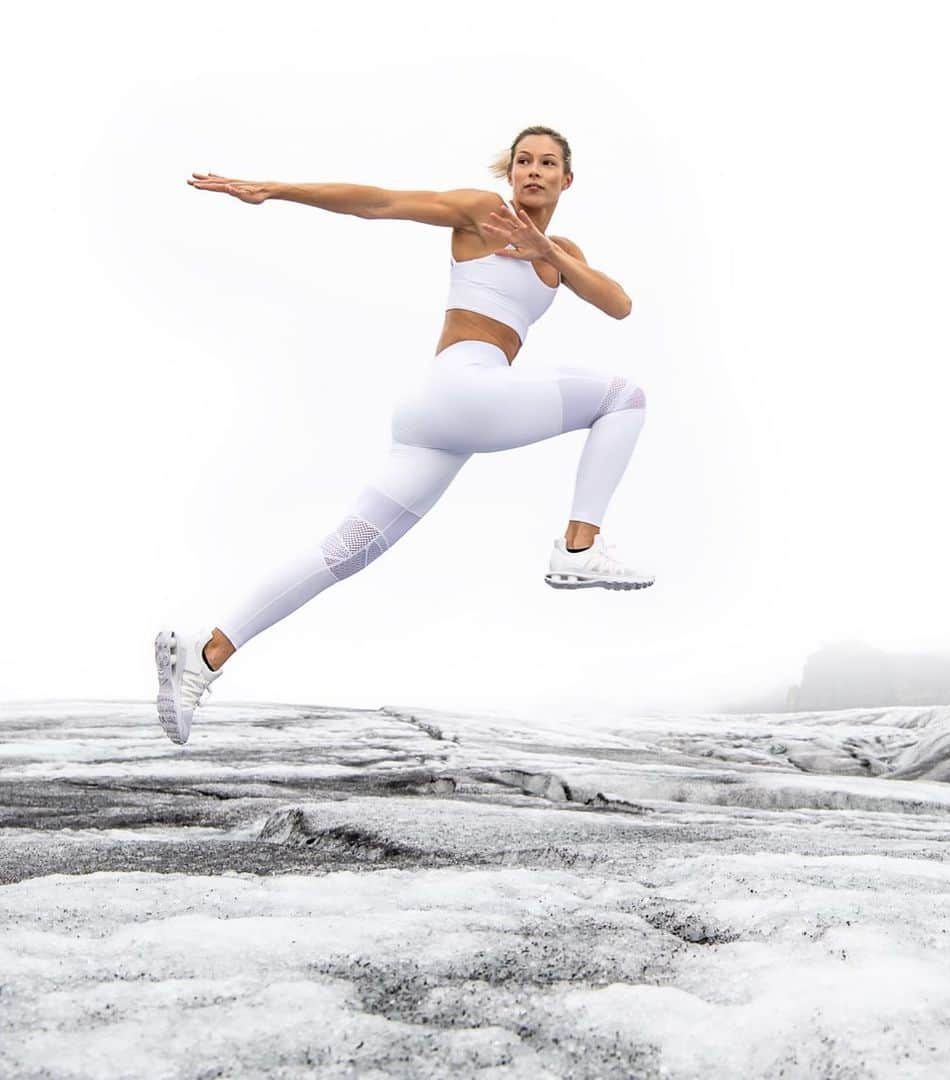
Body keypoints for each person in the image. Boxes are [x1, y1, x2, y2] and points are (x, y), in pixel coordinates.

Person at [155, 125, 652, 745]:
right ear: (510, 172)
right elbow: (379, 202)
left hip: (439, 421)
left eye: (547, 163)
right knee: (622, 398)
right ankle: (579, 549)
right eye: (523, 160)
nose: (532, 171)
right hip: (462, 388)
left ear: (566, 179)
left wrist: (547, 254)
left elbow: (620, 304)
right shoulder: (483, 213)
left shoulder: (562, 252)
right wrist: (274, 189)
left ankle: (205, 655)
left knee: (346, 552)